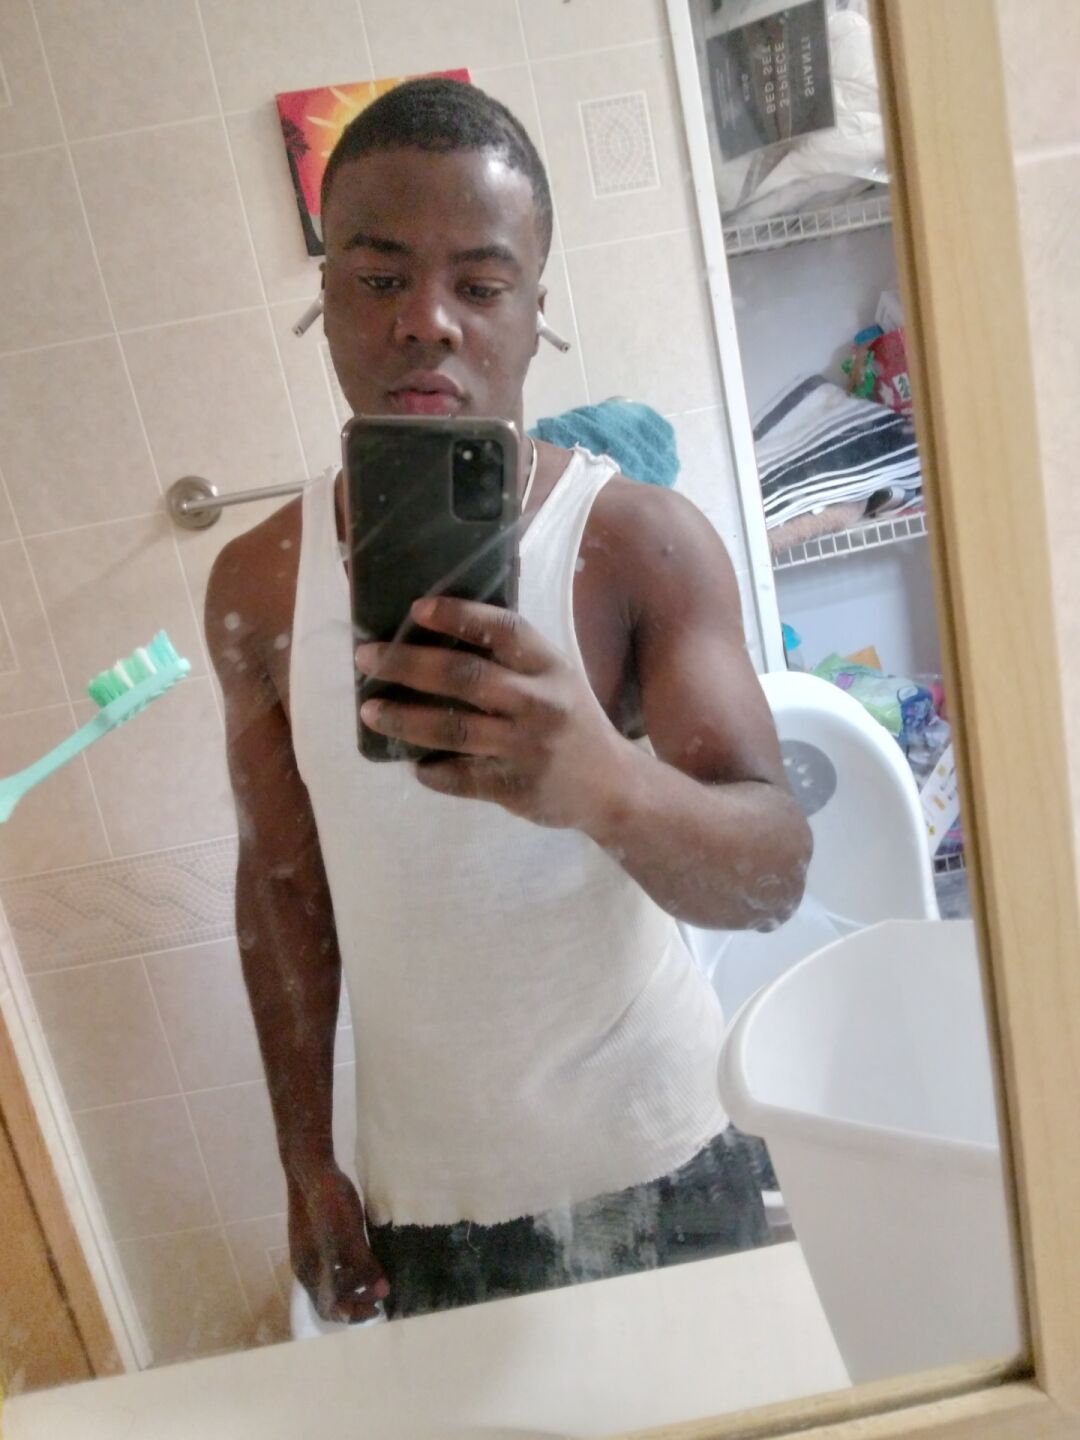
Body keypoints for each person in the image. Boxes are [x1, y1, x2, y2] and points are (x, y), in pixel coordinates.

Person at [205, 77, 811, 1325]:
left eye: (480, 286)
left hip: (664, 1153)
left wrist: (606, 782)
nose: (426, 321)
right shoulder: (258, 585)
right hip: (427, 1196)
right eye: (379, 277)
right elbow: (281, 890)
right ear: (325, 300)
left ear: (538, 316)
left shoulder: (639, 544)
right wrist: (304, 1159)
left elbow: (773, 876)